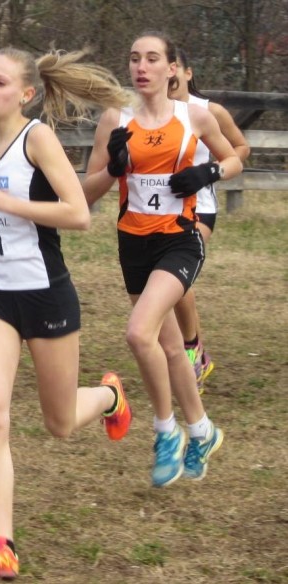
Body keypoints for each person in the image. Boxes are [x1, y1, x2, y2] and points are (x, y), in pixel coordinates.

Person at [0, 47, 133, 580]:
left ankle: (111, 394)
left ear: (25, 94)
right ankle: (2, 543)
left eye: (0, 82)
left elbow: (76, 213)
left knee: (60, 422)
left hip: (45, 293)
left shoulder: (37, 138)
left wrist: (1, 203)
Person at [83, 31, 243, 489]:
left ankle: (165, 431)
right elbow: (84, 194)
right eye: (135, 58)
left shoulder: (194, 116)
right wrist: (113, 170)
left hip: (180, 240)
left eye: (153, 58)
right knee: (170, 347)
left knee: (139, 333)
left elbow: (235, 160)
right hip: (132, 243)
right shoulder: (115, 120)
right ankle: (202, 430)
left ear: (172, 68)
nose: (142, 66)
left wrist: (207, 172)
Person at [170, 47, 251, 393]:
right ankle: (185, 349)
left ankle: (192, 351)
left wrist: (209, 172)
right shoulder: (148, 114)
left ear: (188, 73)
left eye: (177, 68)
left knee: (176, 277)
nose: (170, 75)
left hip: (200, 207)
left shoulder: (209, 111)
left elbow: (241, 148)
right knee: (165, 287)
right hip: (157, 211)